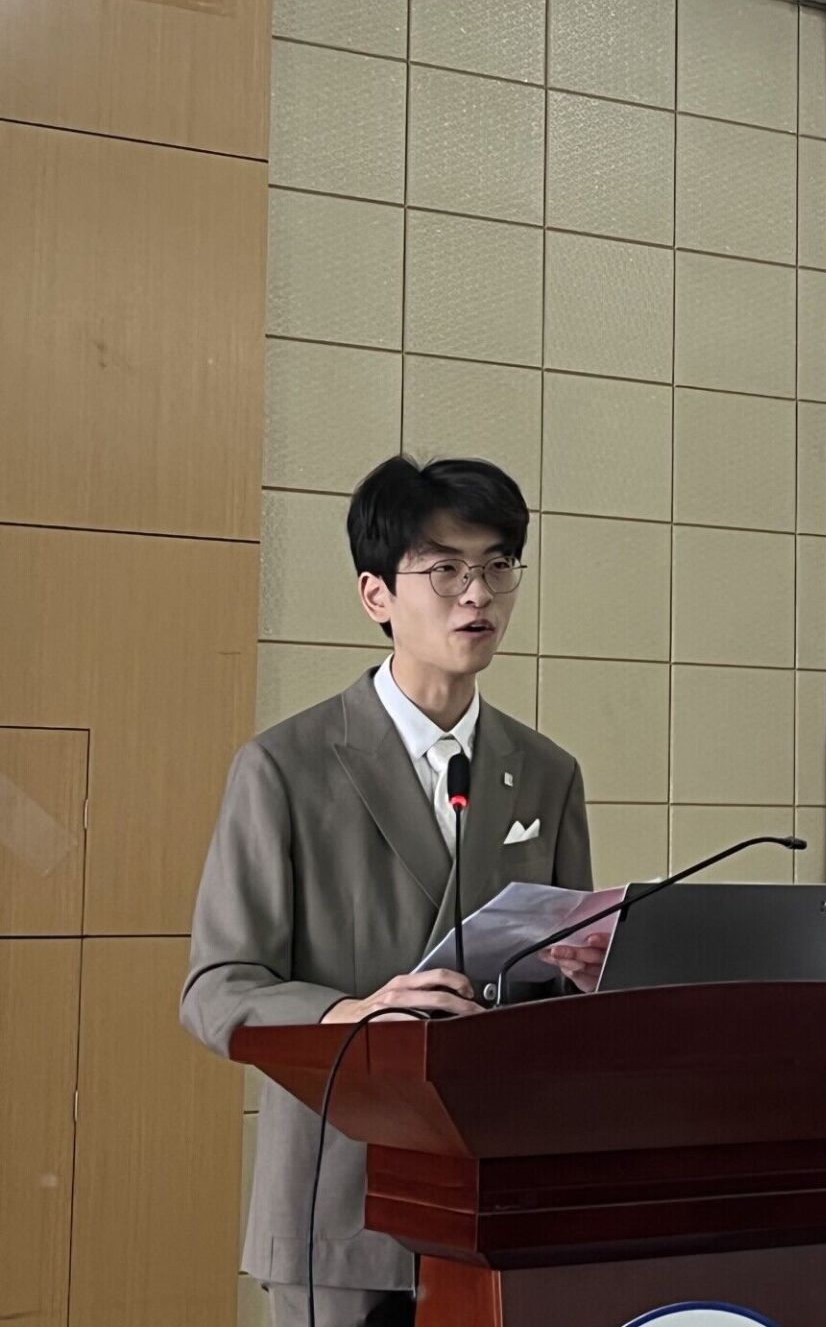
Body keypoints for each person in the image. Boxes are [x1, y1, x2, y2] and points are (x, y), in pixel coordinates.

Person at [180, 456, 599, 1327]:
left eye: (497, 565)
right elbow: (217, 989)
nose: (477, 594)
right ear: (376, 595)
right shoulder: (285, 768)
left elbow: (563, 979)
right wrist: (353, 1014)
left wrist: (592, 972)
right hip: (338, 1199)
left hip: (497, 1197)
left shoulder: (546, 773)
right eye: (444, 568)